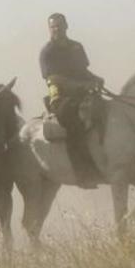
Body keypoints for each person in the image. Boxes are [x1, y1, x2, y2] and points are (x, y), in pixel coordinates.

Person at [39, 13, 104, 187]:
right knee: (74, 124)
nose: (56, 29)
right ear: (49, 29)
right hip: (62, 99)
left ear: (66, 25)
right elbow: (53, 78)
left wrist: (96, 79)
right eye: (53, 26)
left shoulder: (77, 47)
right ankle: (83, 173)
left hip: (83, 93)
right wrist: (82, 85)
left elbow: (84, 71)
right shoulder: (47, 52)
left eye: (59, 25)